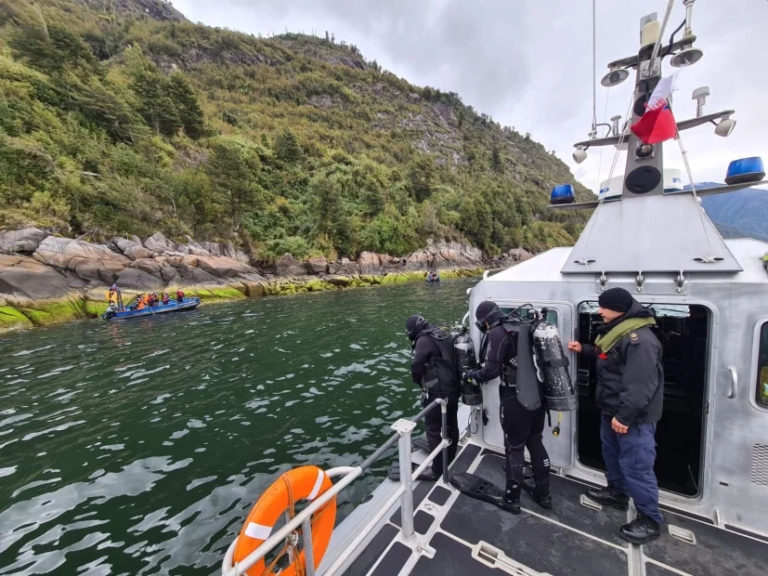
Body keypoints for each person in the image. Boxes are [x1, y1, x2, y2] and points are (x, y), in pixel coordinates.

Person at [567, 287, 664, 544]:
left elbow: (640, 386)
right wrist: (584, 350)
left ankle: (650, 519)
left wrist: (624, 417)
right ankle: (617, 493)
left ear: (618, 309)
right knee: (611, 455)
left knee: (637, 467)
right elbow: (608, 357)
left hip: (632, 418)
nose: (599, 311)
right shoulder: (617, 333)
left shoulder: (639, 341)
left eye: (604, 307)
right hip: (611, 410)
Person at [465, 301, 551, 514]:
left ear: (485, 320)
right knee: (535, 442)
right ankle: (544, 495)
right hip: (537, 395)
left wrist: (471, 375)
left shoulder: (497, 333)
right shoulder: (523, 324)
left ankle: (511, 499)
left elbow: (491, 372)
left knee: (514, 449)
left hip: (515, 398)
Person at [406, 314, 460, 481]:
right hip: (454, 387)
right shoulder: (441, 331)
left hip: (437, 392)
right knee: (451, 422)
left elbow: (416, 366)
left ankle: (437, 470)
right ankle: (451, 455)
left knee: (433, 429)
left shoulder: (423, 340)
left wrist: (420, 383)